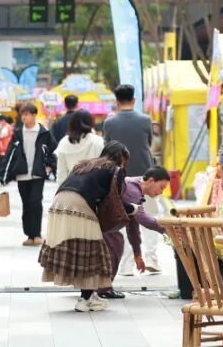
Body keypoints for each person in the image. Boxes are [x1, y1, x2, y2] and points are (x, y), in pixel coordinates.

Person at [39, 141, 134, 313]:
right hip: (79, 204)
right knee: (93, 252)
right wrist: (133, 208)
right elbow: (115, 202)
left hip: (59, 202)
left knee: (80, 249)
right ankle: (85, 299)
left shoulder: (86, 164)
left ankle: (91, 295)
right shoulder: (115, 170)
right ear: (121, 157)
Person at [103, 84, 160, 274]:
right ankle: (151, 257)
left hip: (119, 178)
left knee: (122, 217)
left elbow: (108, 148)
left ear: (117, 101)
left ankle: (126, 264)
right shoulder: (145, 120)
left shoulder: (109, 123)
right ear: (134, 100)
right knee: (149, 214)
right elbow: (148, 143)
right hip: (145, 176)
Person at [100, 166, 170, 299]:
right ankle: (103, 289)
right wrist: (167, 230)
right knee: (116, 241)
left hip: (103, 220)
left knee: (116, 240)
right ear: (151, 181)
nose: (161, 192)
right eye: (161, 187)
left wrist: (137, 254)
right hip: (100, 220)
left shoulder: (135, 186)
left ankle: (102, 287)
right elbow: (143, 219)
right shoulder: (133, 190)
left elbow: (133, 225)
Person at [2, 104, 57, 246]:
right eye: (22, 115)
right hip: (22, 174)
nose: (24, 117)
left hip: (38, 174)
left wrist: (50, 165)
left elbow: (53, 151)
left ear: (34, 115)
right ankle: (29, 235)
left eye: (26, 114)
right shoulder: (18, 133)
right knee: (26, 203)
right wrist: (4, 174)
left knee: (35, 202)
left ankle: (37, 234)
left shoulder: (44, 133)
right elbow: (10, 153)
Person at [54, 110, 104, 183]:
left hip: (71, 185)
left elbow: (61, 173)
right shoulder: (98, 141)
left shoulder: (64, 142)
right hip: (92, 185)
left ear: (71, 124)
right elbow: (102, 170)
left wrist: (60, 188)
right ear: (91, 123)